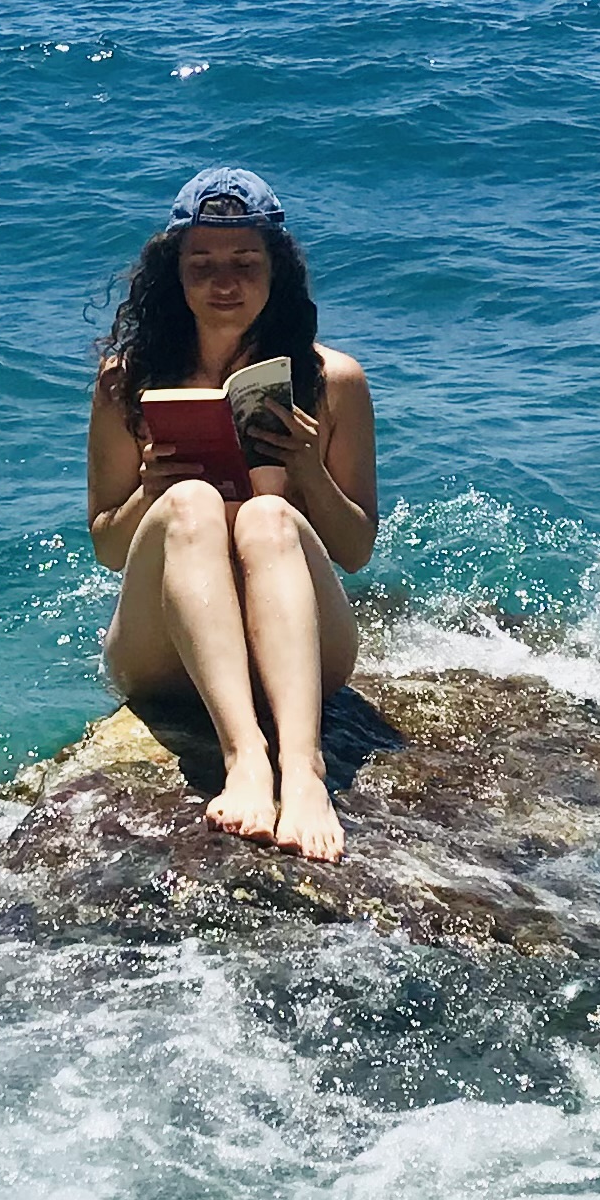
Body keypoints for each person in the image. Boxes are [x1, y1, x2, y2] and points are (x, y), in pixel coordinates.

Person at [88, 167, 379, 863]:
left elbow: (355, 548)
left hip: (304, 651)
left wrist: (306, 468)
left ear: (277, 268)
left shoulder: (333, 380)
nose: (225, 281)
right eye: (203, 265)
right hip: (168, 654)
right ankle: (246, 756)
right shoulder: (127, 381)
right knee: (191, 502)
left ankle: (302, 768)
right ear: (174, 273)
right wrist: (152, 487)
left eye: (246, 263)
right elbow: (107, 545)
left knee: (266, 518)